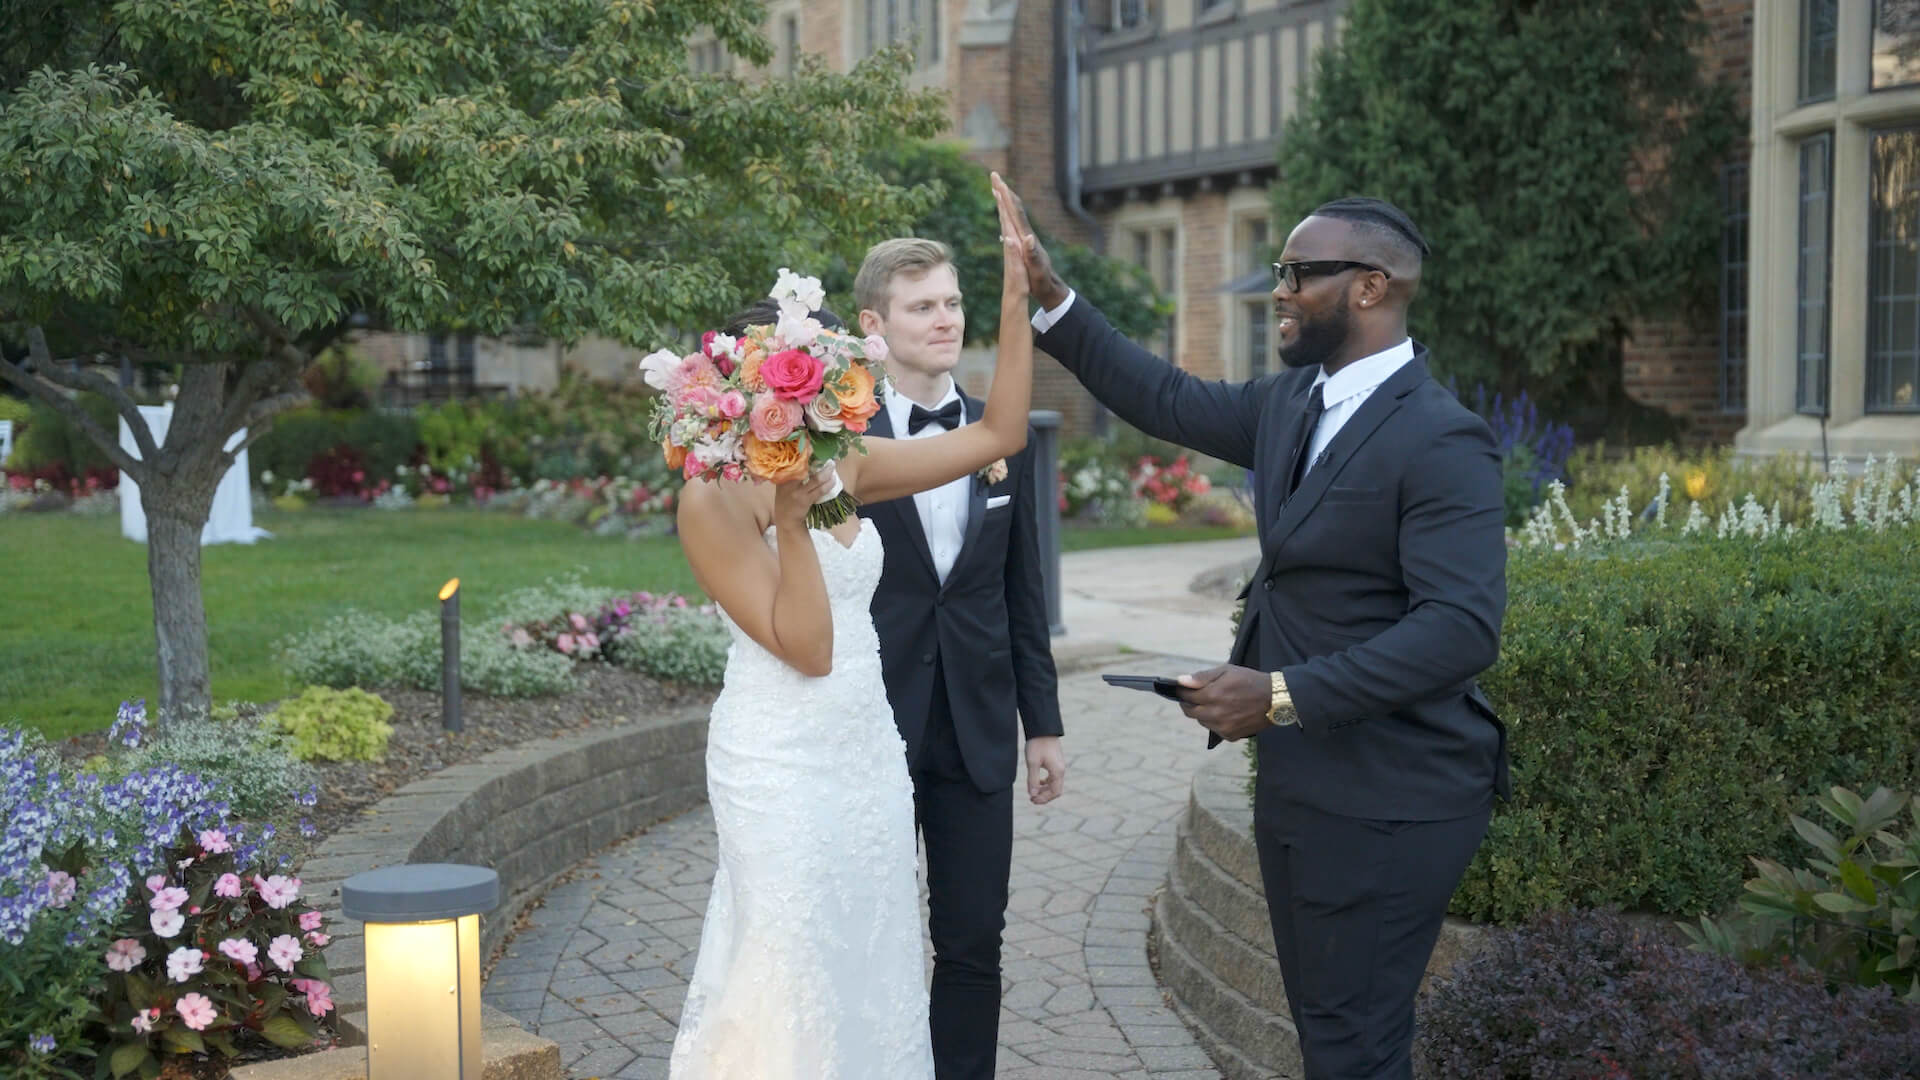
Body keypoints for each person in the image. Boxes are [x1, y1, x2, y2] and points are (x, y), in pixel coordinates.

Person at [1011, 186, 1508, 1079]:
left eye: (1296, 273)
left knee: (1355, 1043)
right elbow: (1165, 396)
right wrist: (1054, 297)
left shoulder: (1442, 438)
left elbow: (1460, 631)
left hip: (1396, 795)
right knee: (1328, 1034)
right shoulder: (1291, 405)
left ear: (1370, 286)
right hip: (1302, 781)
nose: (1276, 290)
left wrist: (1278, 693)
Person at [665, 174, 1034, 1079]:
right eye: (798, 392)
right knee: (790, 960)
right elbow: (809, 645)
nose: (821, 404)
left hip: (864, 749)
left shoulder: (845, 462)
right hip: (780, 756)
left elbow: (1001, 437)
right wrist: (793, 515)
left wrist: (1022, 290)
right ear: (742, 403)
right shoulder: (708, 505)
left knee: (871, 961)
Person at [851, 237, 1065, 1080]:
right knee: (872, 932)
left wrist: (1041, 727)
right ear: (875, 324)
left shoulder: (1000, 434)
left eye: (951, 303)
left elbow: (1023, 596)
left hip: (977, 727)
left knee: (975, 938)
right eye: (921, 307)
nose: (944, 320)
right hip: (869, 724)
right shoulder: (831, 441)